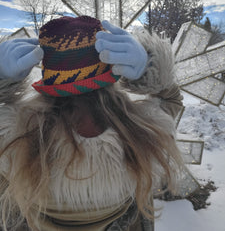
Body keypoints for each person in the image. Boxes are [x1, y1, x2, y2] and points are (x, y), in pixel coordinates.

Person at [0, 15, 183, 231]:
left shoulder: (14, 142)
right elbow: (171, 99)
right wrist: (150, 68)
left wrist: (3, 77)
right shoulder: (142, 136)